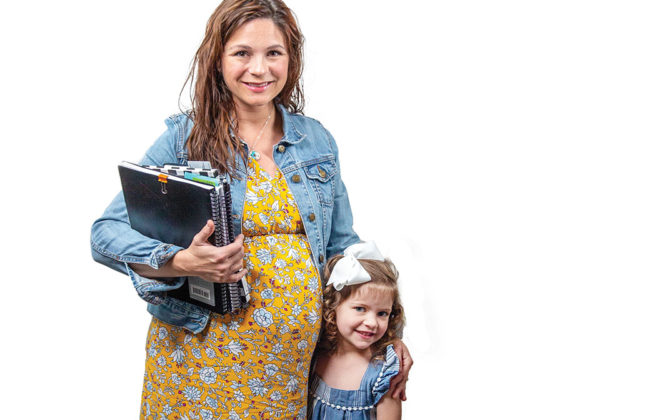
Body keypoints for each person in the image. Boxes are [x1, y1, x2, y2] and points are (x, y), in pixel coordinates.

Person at [89, 1, 411, 418]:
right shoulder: (185, 139)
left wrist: (388, 339)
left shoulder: (316, 141)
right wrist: (182, 260)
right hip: (199, 365)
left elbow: (343, 251)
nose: (259, 69)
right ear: (217, 59)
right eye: (242, 53)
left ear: (290, 59)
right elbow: (105, 234)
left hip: (286, 369)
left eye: (273, 53)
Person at [308, 242, 405, 420]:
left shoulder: (383, 372)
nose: (371, 322)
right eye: (360, 308)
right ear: (333, 307)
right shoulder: (315, 353)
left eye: (382, 313)